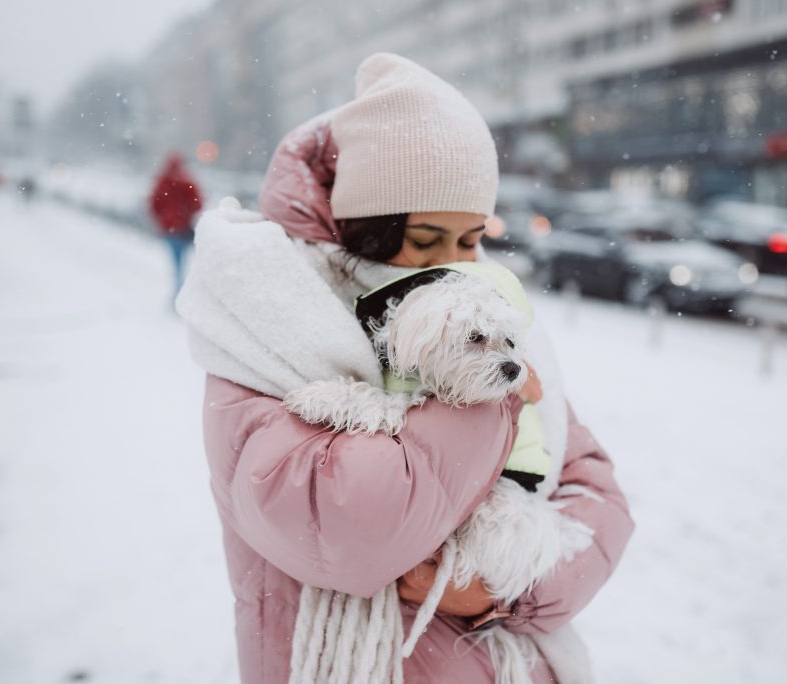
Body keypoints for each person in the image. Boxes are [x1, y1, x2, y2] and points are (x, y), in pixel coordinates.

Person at [176, 53, 633, 683]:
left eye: (471, 239)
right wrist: (491, 397)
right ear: (366, 229)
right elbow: (349, 526)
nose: (454, 264)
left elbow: (595, 492)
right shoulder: (267, 324)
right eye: (425, 241)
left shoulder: (486, 315)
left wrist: (504, 590)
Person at [149, 153, 202, 300]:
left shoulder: (162, 182)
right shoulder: (187, 181)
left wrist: (163, 219)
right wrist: (186, 213)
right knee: (190, 262)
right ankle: (186, 293)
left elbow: (153, 204)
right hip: (184, 230)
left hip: (170, 231)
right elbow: (198, 203)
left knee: (177, 262)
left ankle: (179, 294)